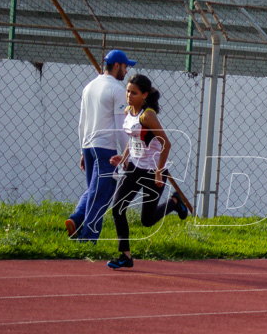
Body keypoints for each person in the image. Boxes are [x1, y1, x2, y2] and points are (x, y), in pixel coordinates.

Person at [106, 74, 188, 270]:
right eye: (127, 91)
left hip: (153, 171)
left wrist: (159, 173)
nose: (128, 95)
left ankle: (175, 203)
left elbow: (166, 144)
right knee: (118, 208)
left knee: (147, 220)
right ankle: (125, 256)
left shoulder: (147, 116)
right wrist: (123, 158)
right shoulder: (128, 111)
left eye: (133, 93)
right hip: (134, 168)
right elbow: (134, 140)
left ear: (144, 95)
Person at [65, 50, 134, 242]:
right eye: (125, 66)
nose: (126, 70)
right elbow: (121, 126)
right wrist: (126, 155)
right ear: (117, 65)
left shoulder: (89, 87)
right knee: (102, 193)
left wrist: (82, 150)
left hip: (88, 145)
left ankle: (77, 219)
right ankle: (88, 238)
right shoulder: (117, 90)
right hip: (105, 147)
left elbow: (82, 121)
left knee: (93, 189)